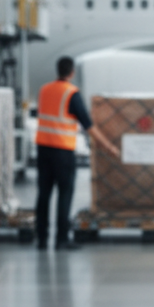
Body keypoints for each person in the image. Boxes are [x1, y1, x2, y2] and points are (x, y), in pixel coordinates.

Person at [34, 56, 119, 250]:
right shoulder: (71, 93)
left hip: (43, 149)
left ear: (58, 70)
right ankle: (61, 240)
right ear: (72, 73)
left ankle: (41, 239)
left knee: (43, 195)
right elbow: (88, 125)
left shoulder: (44, 90)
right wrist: (109, 147)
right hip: (62, 151)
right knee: (65, 194)